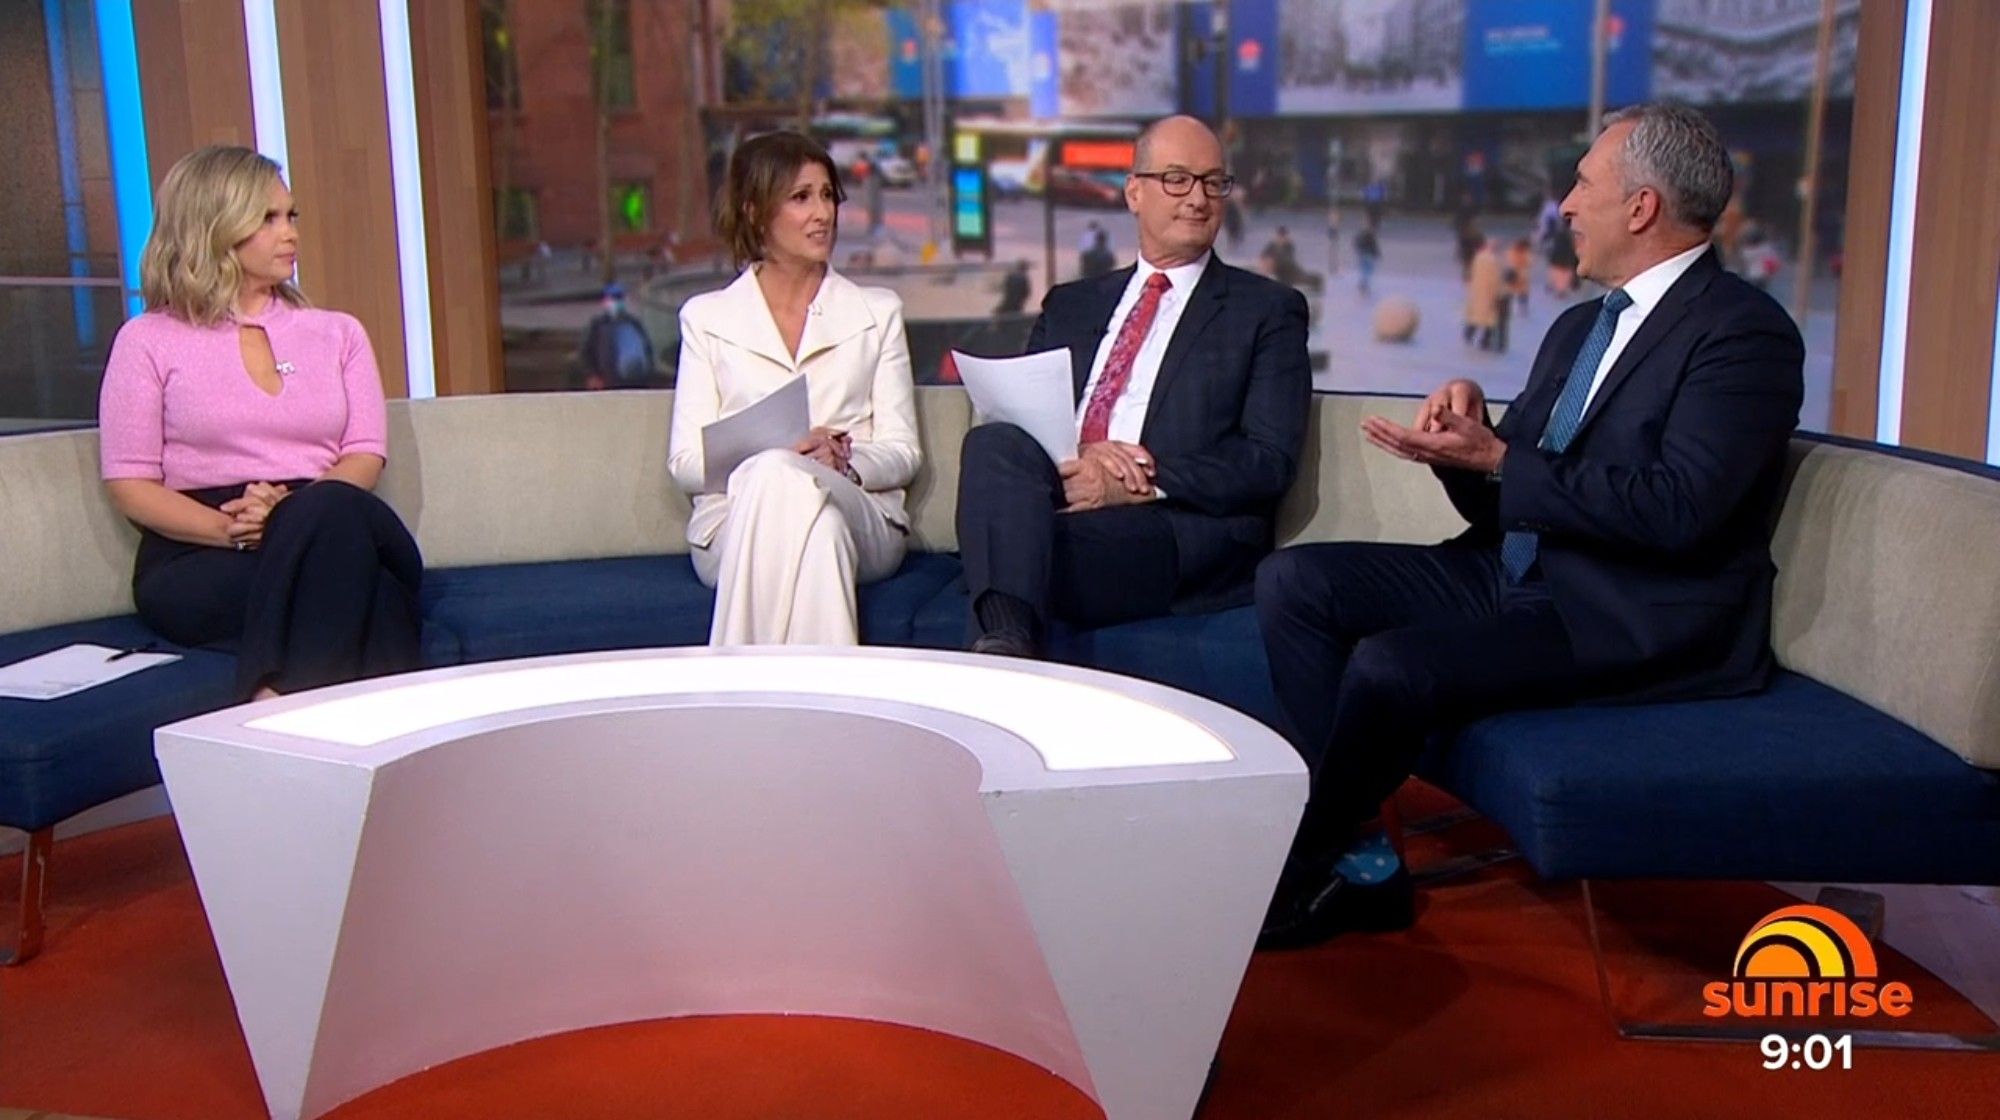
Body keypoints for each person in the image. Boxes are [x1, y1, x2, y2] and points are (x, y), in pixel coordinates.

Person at [1254, 103, 1804, 948]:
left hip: (1625, 610)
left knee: (1392, 665)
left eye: (1582, 184)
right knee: (1294, 580)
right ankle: (1358, 847)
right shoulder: (1581, 325)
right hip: (1513, 570)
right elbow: (1509, 497)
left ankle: (1299, 860)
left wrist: (1503, 460)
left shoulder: (1743, 334)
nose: (1566, 206)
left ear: (1642, 207)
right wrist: (1463, 450)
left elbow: (1682, 510)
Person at [958, 115, 1311, 658]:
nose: (1198, 198)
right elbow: (1027, 421)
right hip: (1062, 488)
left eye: (1213, 182)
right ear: (1134, 192)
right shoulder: (1071, 304)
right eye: (1177, 179)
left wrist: (1136, 481)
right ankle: (1009, 641)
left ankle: (1003, 646)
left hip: (1172, 524)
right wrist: (1083, 456)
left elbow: (1268, 460)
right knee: (992, 442)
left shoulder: (1266, 310)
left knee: (1016, 547)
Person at [97, 145, 422, 701]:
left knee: (332, 517)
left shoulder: (338, 333)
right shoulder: (147, 340)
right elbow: (131, 484)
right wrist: (237, 530)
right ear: (214, 228)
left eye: (291, 215)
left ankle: (270, 700)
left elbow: (365, 453)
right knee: (377, 595)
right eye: (267, 219)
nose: (290, 233)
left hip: (332, 514)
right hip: (202, 549)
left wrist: (287, 518)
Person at [669, 131, 920, 646]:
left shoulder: (878, 313)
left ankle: (738, 684)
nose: (822, 214)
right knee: (809, 518)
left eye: (827, 195)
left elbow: (904, 453)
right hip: (734, 522)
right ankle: (826, 697)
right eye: (801, 197)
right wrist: (781, 454)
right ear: (756, 213)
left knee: (800, 491)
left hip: (858, 510)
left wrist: (843, 463)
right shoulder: (706, 319)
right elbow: (685, 464)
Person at [577, 282, 655, 388]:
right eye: (611, 298)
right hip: (607, 383)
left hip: (634, 382)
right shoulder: (598, 325)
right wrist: (592, 375)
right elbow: (585, 352)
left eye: (618, 298)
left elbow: (647, 350)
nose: (615, 302)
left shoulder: (633, 323)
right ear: (604, 301)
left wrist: (647, 376)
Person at [1354, 221, 1381, 296]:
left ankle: (1363, 285)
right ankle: (1364, 285)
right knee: (1368, 270)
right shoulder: (1370, 236)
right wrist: (1377, 254)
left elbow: (1356, 243)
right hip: (1367, 255)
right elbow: (1374, 246)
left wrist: (1359, 250)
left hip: (1362, 254)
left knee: (1364, 270)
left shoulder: (1362, 234)